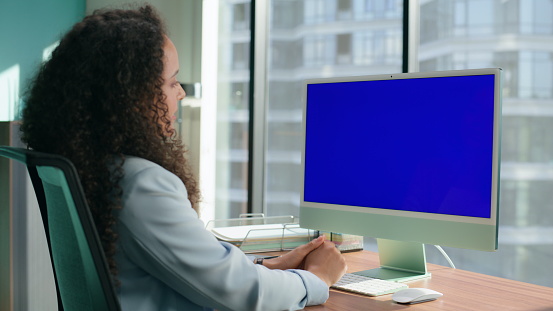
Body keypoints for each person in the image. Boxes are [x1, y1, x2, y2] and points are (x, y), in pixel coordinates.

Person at [20, 5, 347, 311]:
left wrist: (265, 266)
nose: (181, 93)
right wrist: (317, 278)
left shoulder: (93, 167)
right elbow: (244, 295)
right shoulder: (140, 183)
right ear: (131, 97)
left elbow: (184, 268)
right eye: (172, 81)